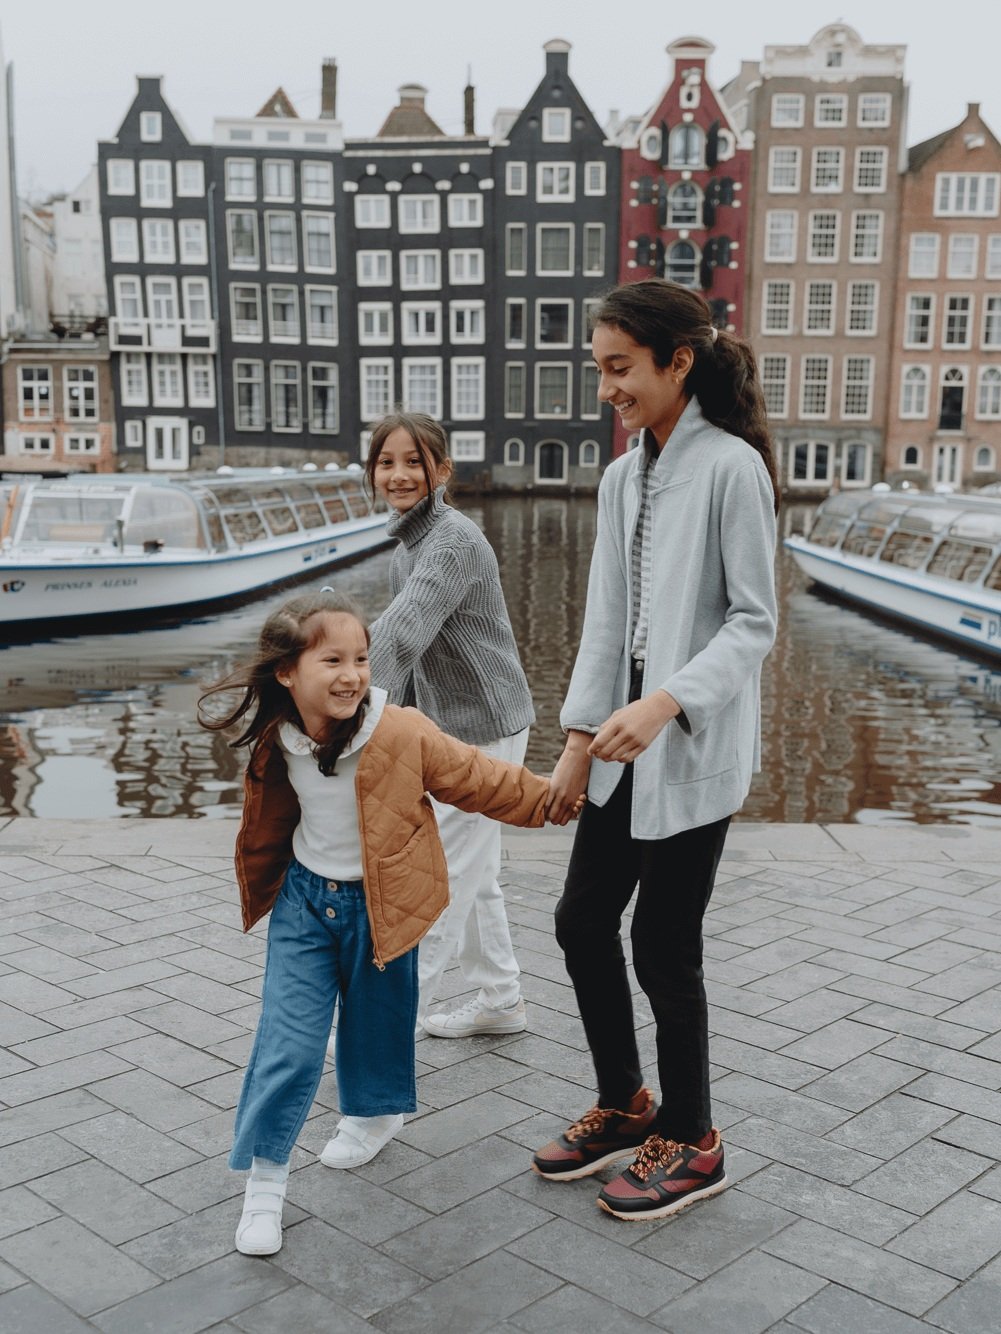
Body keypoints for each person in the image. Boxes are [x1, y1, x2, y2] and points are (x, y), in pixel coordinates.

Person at [199, 589, 555, 1256]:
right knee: (291, 1044)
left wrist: (559, 799)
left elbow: (483, 779)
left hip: (384, 902)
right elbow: (272, 818)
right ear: (287, 672)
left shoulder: (400, 731)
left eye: (360, 658)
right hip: (306, 905)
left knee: (376, 1024)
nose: (351, 674)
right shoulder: (279, 737)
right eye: (331, 659)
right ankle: (265, 1186)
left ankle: (373, 1115)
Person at [535, 279, 779, 1222]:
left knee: (663, 949)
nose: (606, 388)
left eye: (619, 369)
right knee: (578, 925)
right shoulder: (620, 474)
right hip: (617, 748)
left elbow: (754, 624)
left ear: (679, 362)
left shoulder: (730, 469)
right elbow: (606, 624)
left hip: (689, 750)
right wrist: (576, 745)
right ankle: (627, 1103)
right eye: (599, 370)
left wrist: (668, 702)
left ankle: (696, 1136)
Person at [363, 412, 536, 1038]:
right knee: (476, 871)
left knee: (442, 881)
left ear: (443, 470)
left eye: (415, 461)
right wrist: (386, 728)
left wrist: (335, 701)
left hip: (485, 728)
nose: (400, 474)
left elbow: (402, 635)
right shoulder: (410, 545)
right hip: (449, 726)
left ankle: (387, 1034)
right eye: (387, 462)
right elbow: (407, 654)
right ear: (373, 472)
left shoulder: (452, 542)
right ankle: (501, 999)